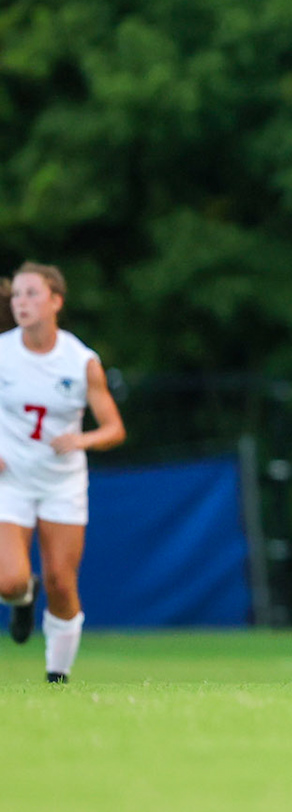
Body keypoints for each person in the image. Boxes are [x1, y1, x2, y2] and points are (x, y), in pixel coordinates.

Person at [0, 263, 127, 682]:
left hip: (61, 482)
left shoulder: (80, 361)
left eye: (32, 293)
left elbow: (114, 428)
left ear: (56, 301)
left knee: (60, 580)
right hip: (11, 480)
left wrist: (83, 440)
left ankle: (58, 675)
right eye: (17, 294)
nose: (22, 302)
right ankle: (23, 599)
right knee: (8, 581)